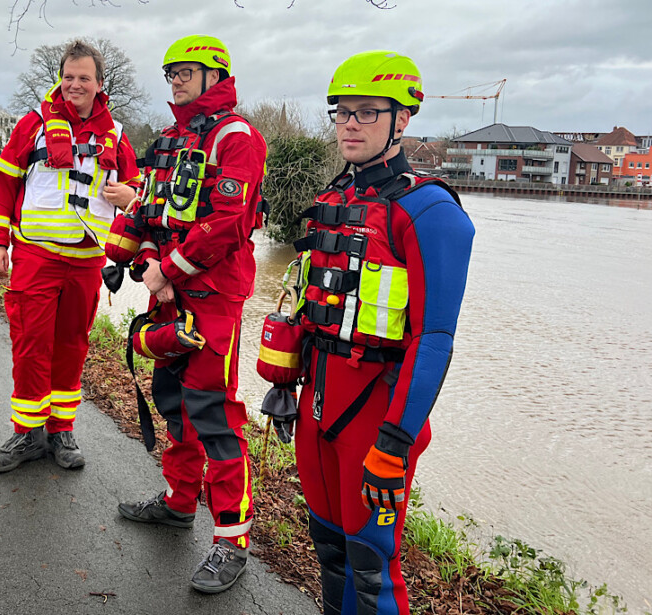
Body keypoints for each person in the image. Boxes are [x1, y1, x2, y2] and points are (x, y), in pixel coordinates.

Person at [287, 50, 475, 614]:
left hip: (376, 418)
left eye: (367, 112)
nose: (350, 123)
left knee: (372, 564)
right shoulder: (338, 197)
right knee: (328, 547)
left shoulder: (429, 211)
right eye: (342, 112)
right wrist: (284, 379)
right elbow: (308, 302)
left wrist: (395, 441)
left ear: (403, 120)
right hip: (315, 406)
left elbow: (435, 338)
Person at [113, 35, 267, 594]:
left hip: (213, 299)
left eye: (186, 71)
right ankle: (179, 502)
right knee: (174, 401)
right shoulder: (170, 138)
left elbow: (228, 222)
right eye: (170, 72)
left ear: (214, 75)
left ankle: (231, 542)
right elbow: (149, 210)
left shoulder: (239, 137)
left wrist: (169, 270)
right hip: (169, 294)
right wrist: (135, 260)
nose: (175, 79)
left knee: (214, 414)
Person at [0, 40, 141, 473]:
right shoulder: (32, 125)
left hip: (88, 260)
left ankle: (61, 432)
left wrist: (131, 195)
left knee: (72, 345)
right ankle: (27, 435)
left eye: (83, 78)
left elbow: (141, 194)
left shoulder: (118, 136)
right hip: (36, 256)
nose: (74, 85)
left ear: (99, 84)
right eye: (68, 77)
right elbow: (3, 182)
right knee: (31, 345)